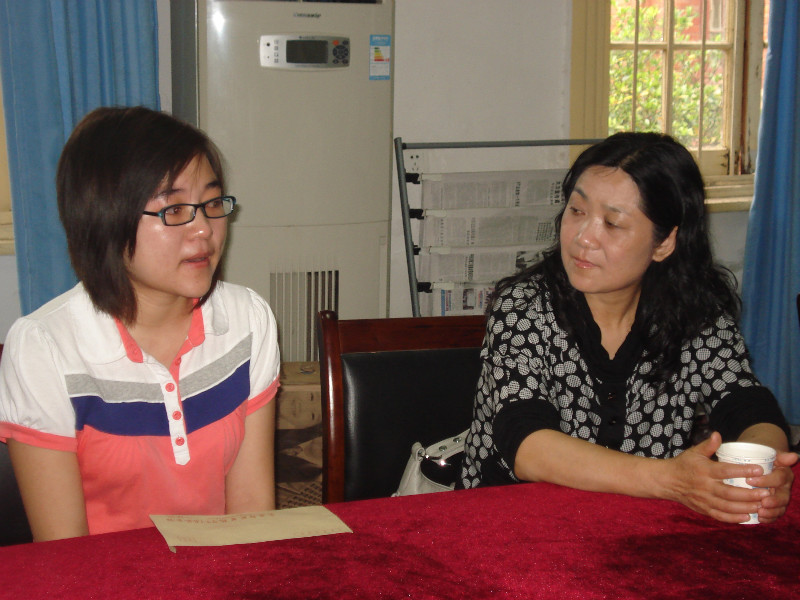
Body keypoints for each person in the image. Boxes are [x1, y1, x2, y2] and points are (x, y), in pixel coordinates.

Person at [460, 132, 797, 524]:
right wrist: (672, 480)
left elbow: (746, 403)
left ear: (664, 242)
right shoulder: (523, 307)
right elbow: (527, 445)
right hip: (513, 520)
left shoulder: (695, 312)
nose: (584, 238)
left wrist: (763, 470)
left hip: (637, 525)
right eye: (577, 211)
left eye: (612, 223)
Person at [0, 106, 281, 541]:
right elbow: (64, 550)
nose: (204, 229)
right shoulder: (44, 348)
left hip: (217, 570)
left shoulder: (247, 320)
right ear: (104, 219)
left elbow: (252, 515)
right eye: (174, 210)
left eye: (211, 203)